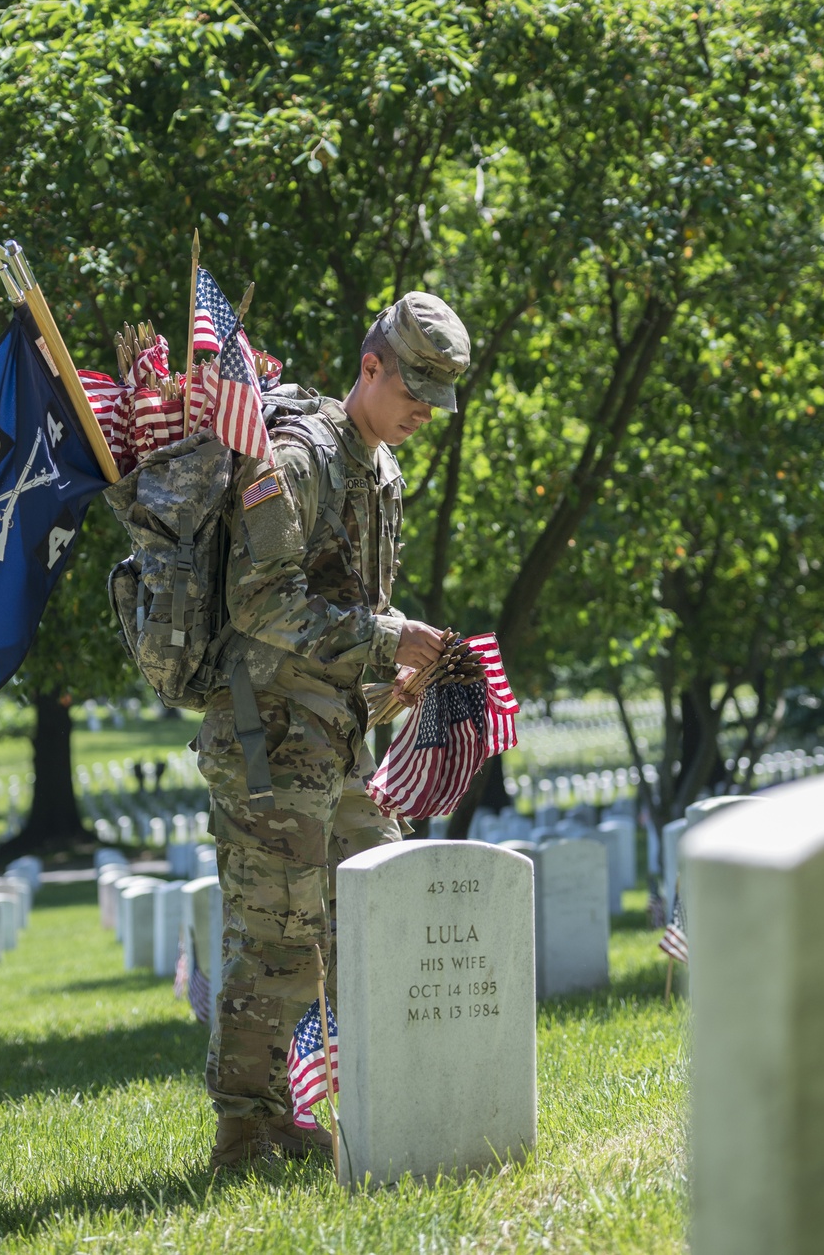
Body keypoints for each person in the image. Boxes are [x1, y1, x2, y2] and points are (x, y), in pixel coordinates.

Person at [195, 291, 470, 1170]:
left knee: (377, 900)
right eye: (414, 388)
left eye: (438, 396)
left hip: (339, 737)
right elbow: (259, 601)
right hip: (266, 736)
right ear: (370, 367)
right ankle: (248, 1128)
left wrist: (393, 667)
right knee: (276, 933)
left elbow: (350, 605)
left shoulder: (380, 467)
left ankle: (334, 1100)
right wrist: (390, 638)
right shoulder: (301, 456)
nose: (425, 409)